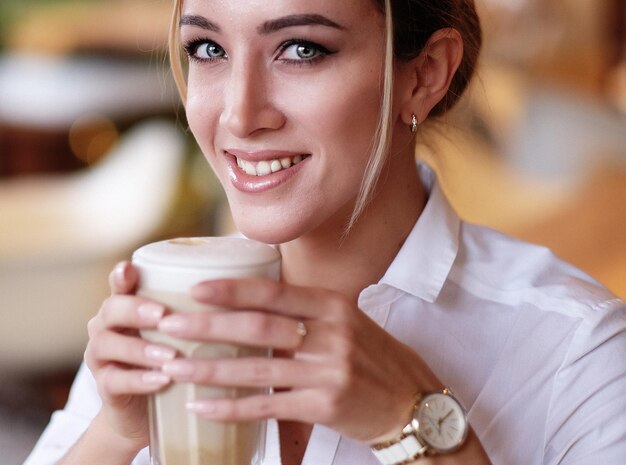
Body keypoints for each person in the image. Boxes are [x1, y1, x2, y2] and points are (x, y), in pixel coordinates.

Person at [24, 1, 626, 464]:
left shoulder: (580, 350)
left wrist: (416, 427)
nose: (239, 113)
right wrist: (115, 433)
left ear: (426, 73)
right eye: (208, 48)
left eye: (302, 49)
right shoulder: (168, 302)